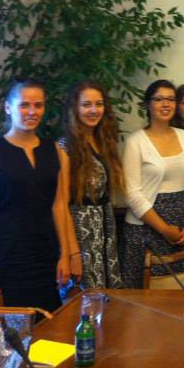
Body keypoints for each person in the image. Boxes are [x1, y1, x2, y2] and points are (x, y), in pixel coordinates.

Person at [0, 79, 73, 311]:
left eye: (38, 105)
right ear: (8, 108)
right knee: (9, 325)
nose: (32, 112)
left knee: (48, 322)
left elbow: (59, 206)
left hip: (46, 253)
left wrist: (65, 254)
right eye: (24, 105)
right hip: (6, 253)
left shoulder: (56, 151)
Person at [120, 80, 184, 288]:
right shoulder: (135, 142)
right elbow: (131, 193)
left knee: (182, 294)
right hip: (146, 229)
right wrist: (164, 229)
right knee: (147, 297)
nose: (166, 104)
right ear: (148, 104)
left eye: (171, 99)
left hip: (182, 228)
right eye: (159, 99)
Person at [59, 80, 124, 289]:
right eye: (86, 104)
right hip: (81, 233)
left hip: (105, 229)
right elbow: (61, 205)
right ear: (75, 108)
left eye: (99, 104)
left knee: (108, 298)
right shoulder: (65, 147)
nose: (94, 110)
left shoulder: (104, 142)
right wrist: (72, 252)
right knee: (85, 298)